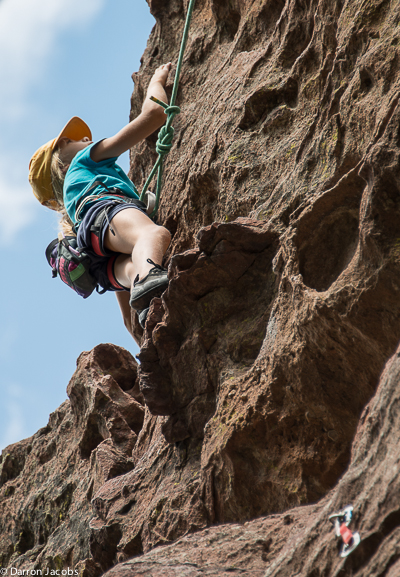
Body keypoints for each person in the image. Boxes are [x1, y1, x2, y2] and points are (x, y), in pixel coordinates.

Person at [29, 63, 173, 337]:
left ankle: (147, 286)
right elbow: (155, 114)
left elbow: (126, 317)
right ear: (62, 157)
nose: (85, 138)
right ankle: (151, 276)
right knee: (153, 234)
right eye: (73, 140)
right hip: (108, 212)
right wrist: (156, 81)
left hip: (98, 257)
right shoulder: (85, 160)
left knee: (133, 272)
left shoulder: (74, 212)